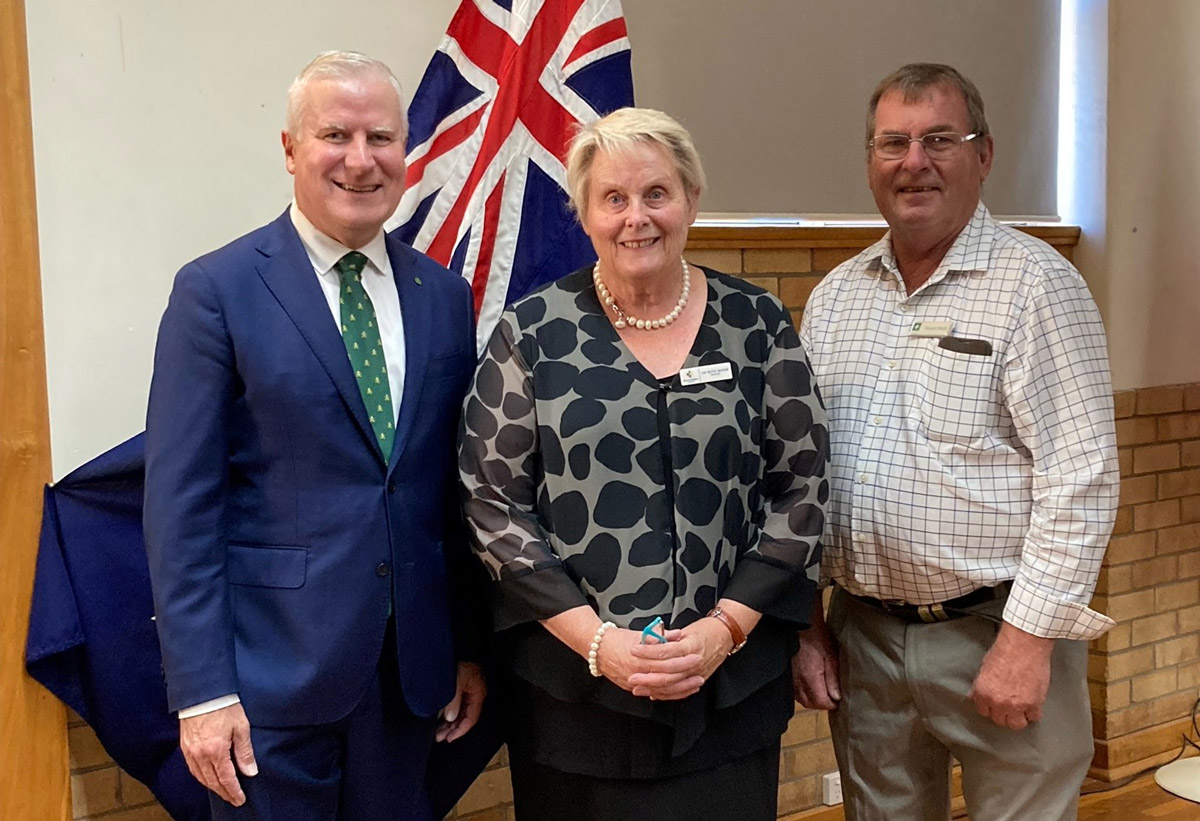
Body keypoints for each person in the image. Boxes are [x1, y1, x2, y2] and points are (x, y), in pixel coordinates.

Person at [458, 107, 829, 821]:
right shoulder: (531, 332)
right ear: (585, 213)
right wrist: (600, 644)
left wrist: (723, 630)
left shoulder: (757, 324)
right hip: (575, 696)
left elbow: (802, 490)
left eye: (657, 193)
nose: (638, 217)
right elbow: (492, 501)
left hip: (729, 687)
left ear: (691, 197)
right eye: (614, 198)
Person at [144, 51, 485, 820]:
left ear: (407, 151)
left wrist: (465, 643)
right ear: (291, 149)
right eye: (335, 134)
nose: (360, 160)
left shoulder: (444, 295)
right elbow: (180, 507)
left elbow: (445, 494)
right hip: (268, 686)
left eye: (382, 138)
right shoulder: (216, 291)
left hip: (409, 682)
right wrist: (201, 688)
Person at [794, 63, 1118, 821]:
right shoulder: (836, 298)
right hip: (864, 639)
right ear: (870, 160)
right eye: (893, 143)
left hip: (997, 631)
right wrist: (807, 624)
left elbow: (1083, 480)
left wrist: (1028, 642)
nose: (915, 162)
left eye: (940, 139)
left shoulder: (1038, 287)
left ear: (985, 154)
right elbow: (803, 477)